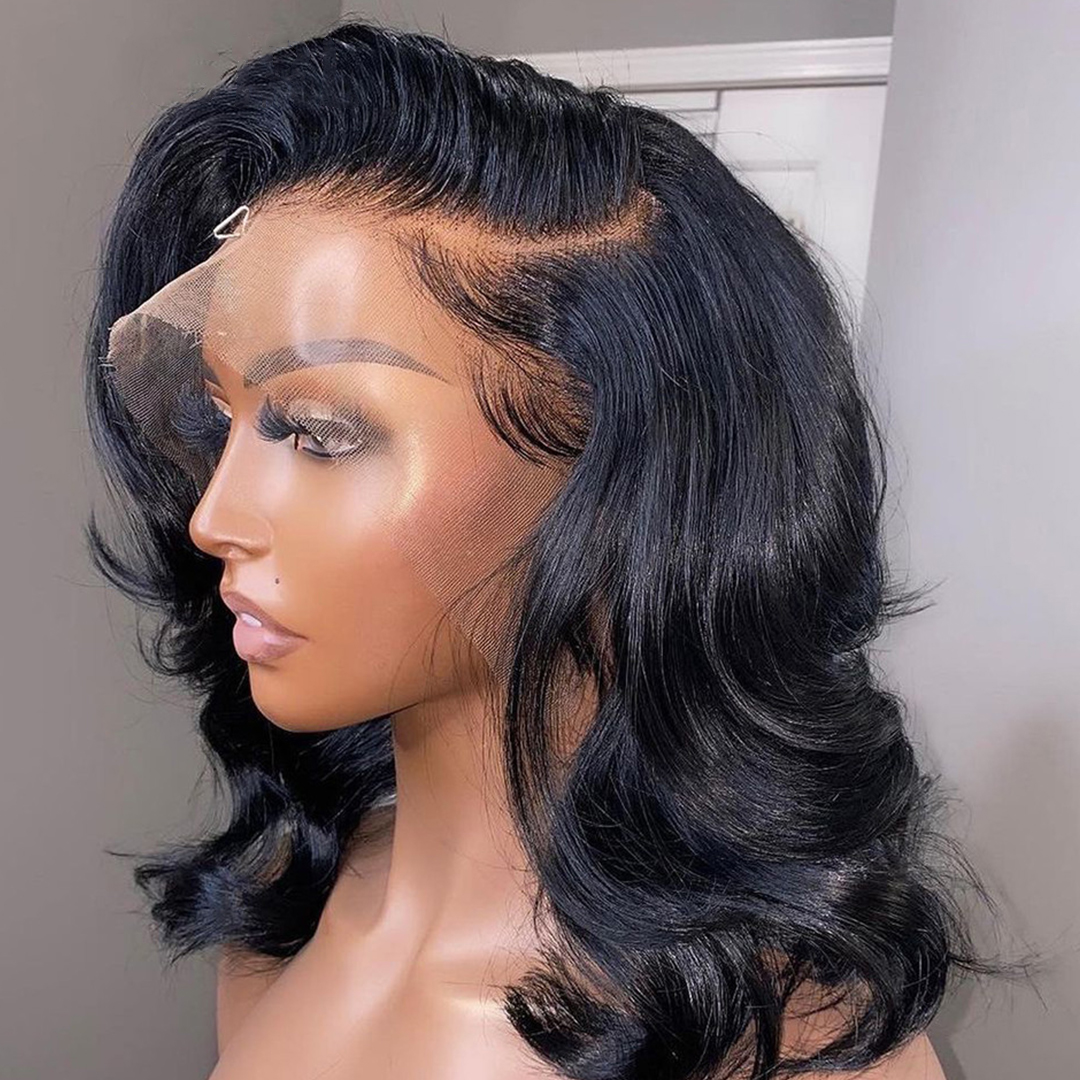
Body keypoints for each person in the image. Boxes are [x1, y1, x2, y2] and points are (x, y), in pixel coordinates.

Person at [85, 18, 1004, 1079]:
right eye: (224, 417)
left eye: (320, 433)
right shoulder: (282, 917)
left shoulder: (783, 1050)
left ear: (621, 484)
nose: (213, 517)